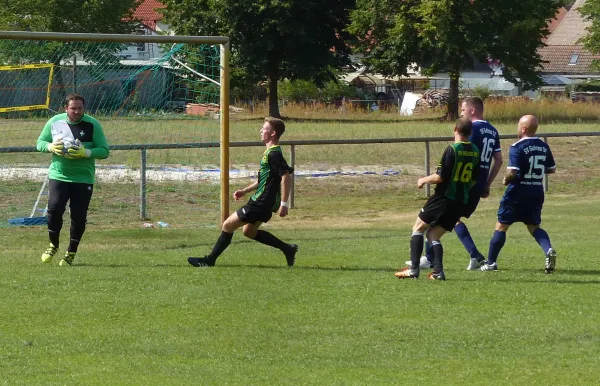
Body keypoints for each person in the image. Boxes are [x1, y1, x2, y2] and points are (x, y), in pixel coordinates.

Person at [407, 97, 503, 270]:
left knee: (448, 215)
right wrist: (487, 183)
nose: (461, 114)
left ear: (472, 110)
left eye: (463, 110)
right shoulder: (493, 130)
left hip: (462, 183)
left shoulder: (473, 128)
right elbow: (498, 160)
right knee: (449, 219)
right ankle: (432, 258)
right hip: (477, 182)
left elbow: (463, 153)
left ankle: (472, 255)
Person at [188, 117, 298, 268]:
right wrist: (245, 190)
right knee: (249, 232)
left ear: (272, 133)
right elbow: (266, 179)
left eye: (264, 128)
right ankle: (288, 249)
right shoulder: (270, 152)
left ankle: (209, 260)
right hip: (264, 202)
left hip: (261, 201)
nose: (261, 131)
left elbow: (285, 176)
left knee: (227, 225)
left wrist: (284, 203)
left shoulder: (274, 154)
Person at [395, 118, 480, 281]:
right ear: (470, 133)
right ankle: (438, 272)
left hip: (443, 197)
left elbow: (440, 177)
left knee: (418, 227)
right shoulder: (476, 151)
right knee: (433, 235)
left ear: (455, 129)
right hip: (460, 201)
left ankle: (413, 269)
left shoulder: (452, 149)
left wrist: (423, 180)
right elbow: (474, 180)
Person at [36, 93, 110, 266]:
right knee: (54, 209)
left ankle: (71, 251)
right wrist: (50, 146)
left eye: (80, 108)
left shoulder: (92, 124)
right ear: (65, 109)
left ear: (84, 108)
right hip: (59, 175)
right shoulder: (55, 122)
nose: (77, 111)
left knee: (78, 215)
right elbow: (39, 142)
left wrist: (87, 152)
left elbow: (104, 151)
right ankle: (53, 244)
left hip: (83, 178)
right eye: (73, 108)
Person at [480, 115, 557, 273]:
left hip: (517, 193)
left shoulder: (517, 147)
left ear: (523, 128)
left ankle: (491, 263)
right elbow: (551, 168)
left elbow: (512, 171)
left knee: (501, 226)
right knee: (534, 227)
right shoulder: (544, 146)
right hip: (536, 191)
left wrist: (506, 179)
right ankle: (548, 250)